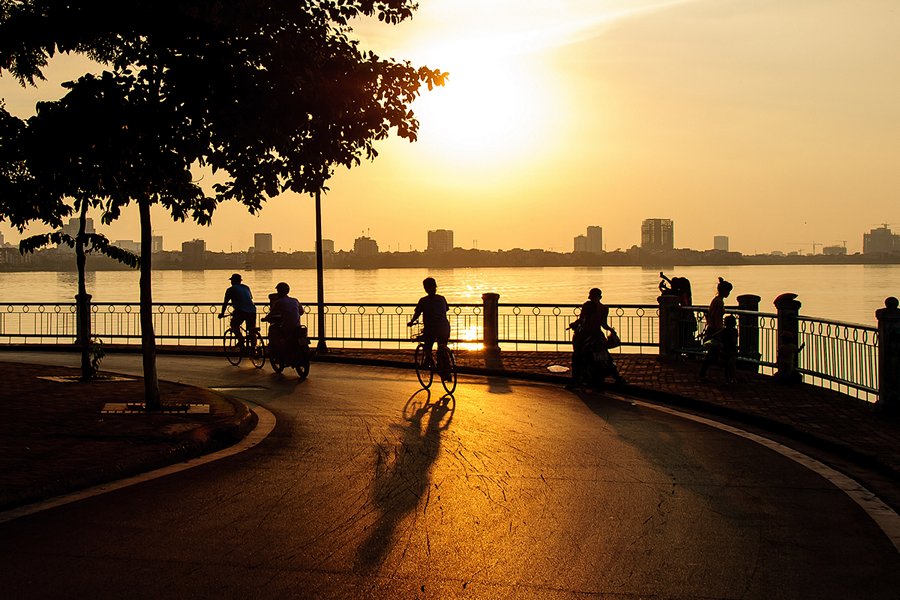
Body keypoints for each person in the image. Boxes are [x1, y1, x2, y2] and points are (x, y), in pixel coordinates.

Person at [568, 287, 625, 387]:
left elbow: (581, 320)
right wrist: (611, 330)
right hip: (598, 334)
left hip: (586, 334)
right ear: (600, 297)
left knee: (576, 356)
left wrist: (573, 324)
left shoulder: (587, 305)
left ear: (590, 296)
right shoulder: (604, 308)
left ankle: (575, 381)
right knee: (607, 357)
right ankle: (617, 377)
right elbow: (604, 325)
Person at [408, 277, 451, 378]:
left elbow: (417, 313)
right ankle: (446, 369)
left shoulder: (423, 301)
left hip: (431, 328)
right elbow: (445, 311)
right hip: (444, 327)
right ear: (435, 287)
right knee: (442, 346)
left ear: (426, 288)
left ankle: (428, 360)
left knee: (428, 345)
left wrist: (411, 322)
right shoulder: (442, 298)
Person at [700, 277, 733, 381]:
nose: (729, 293)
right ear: (724, 291)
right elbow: (717, 318)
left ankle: (704, 373)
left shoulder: (715, 300)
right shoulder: (719, 302)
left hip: (712, 328)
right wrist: (720, 331)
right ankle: (706, 373)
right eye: (728, 291)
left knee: (713, 354)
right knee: (718, 354)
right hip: (715, 330)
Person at [266, 282, 303, 359]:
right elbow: (301, 311)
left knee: (274, 332)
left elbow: (272, 313)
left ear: (279, 292)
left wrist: (266, 318)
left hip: (286, 326)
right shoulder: (295, 300)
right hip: (297, 326)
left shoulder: (279, 302)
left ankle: (278, 352)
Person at [219, 273, 257, 349]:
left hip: (241, 310)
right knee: (251, 329)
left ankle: (241, 340)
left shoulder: (230, 289)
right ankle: (253, 349)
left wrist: (222, 313)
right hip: (252, 310)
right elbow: (249, 299)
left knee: (234, 325)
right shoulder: (246, 287)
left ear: (233, 281)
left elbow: (225, 303)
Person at [721, 314, 739, 384]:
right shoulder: (734, 331)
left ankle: (728, 378)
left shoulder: (724, 331)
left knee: (727, 365)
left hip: (726, 350)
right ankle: (732, 378)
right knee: (732, 364)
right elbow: (734, 341)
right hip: (731, 350)